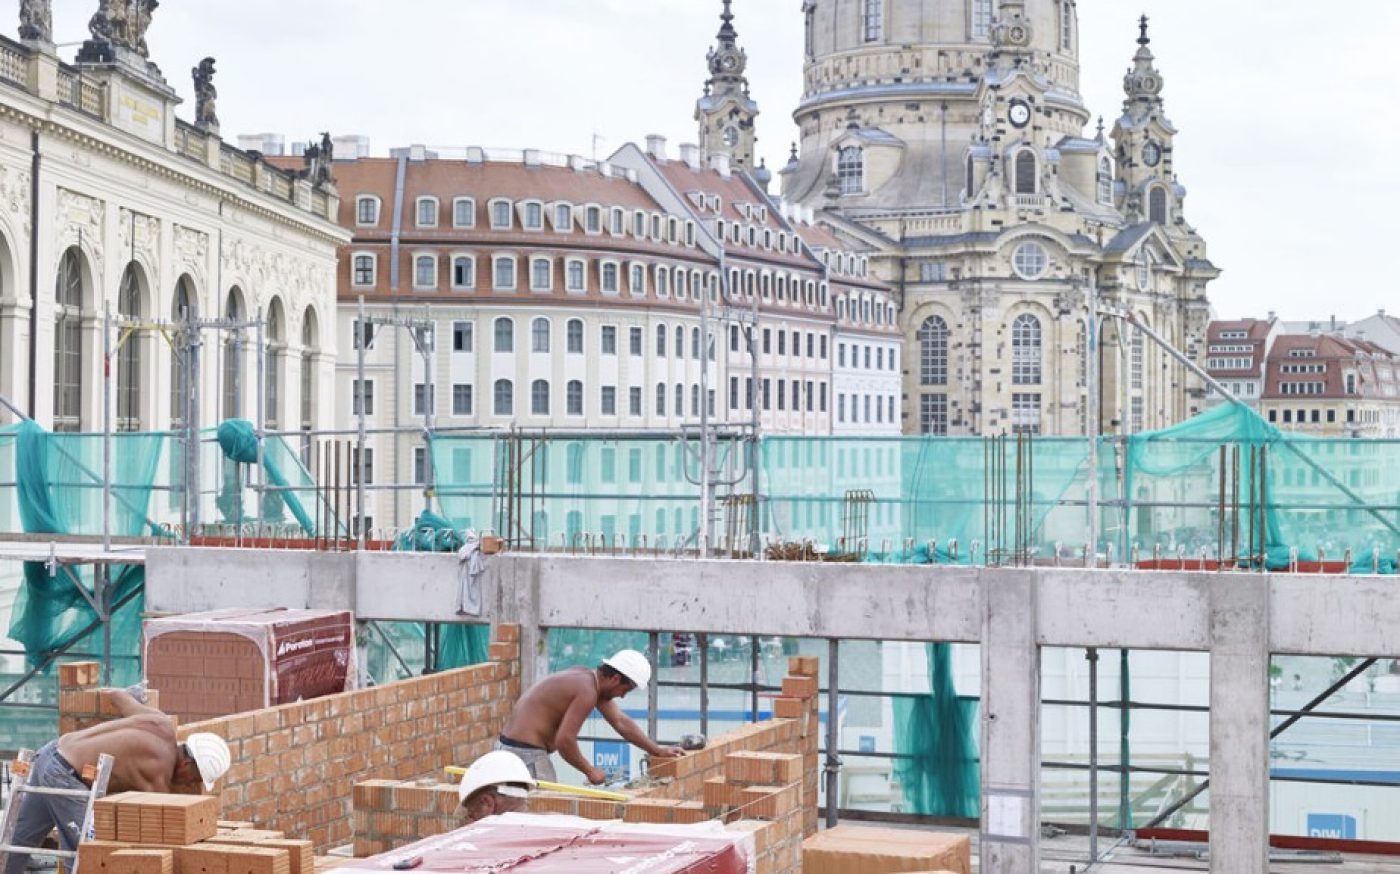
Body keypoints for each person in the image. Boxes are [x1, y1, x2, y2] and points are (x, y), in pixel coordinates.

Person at [2, 689, 231, 874]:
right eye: (194, 779)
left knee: (18, 839)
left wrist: (137, 695)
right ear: (186, 764)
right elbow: (160, 829)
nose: (189, 784)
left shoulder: (160, 723)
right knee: (85, 855)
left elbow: (117, 696)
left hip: (49, 754)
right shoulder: (159, 774)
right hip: (64, 777)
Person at [495, 649, 683, 785]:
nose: (623, 696)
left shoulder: (587, 679)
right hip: (525, 755)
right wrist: (589, 770)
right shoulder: (587, 691)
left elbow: (621, 722)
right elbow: (564, 740)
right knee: (541, 815)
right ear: (615, 679)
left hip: (508, 748)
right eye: (625, 690)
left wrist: (657, 750)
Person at [457, 750, 536, 823]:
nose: (471, 822)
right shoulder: (538, 827)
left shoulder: (491, 833)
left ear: (487, 803)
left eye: (471, 815)